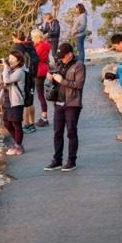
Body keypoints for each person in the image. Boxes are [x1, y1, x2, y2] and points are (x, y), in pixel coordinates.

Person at [44, 43, 86, 172]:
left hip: (72, 103)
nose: (61, 59)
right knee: (57, 132)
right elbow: (56, 81)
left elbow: (79, 84)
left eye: (63, 56)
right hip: (59, 102)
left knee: (71, 131)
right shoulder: (59, 64)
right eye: (60, 57)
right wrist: (51, 78)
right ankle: (57, 160)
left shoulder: (79, 66)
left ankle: (71, 160)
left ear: (70, 54)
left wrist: (62, 81)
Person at [0, 50, 27, 155]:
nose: (10, 60)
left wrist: (6, 67)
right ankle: (17, 144)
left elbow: (7, 80)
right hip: (8, 100)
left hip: (16, 101)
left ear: (19, 61)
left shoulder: (20, 72)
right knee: (7, 123)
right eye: (9, 58)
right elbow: (1, 81)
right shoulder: (11, 70)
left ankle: (18, 147)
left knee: (16, 124)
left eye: (13, 59)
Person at [11, 31, 38, 134]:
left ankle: (26, 125)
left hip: (23, 75)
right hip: (32, 75)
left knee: (25, 102)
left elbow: (13, 61)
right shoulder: (30, 45)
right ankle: (32, 124)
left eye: (13, 37)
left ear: (15, 37)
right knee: (30, 100)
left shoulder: (17, 47)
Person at [30, 29, 51, 127]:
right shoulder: (42, 45)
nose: (32, 39)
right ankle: (44, 116)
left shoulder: (41, 46)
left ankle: (44, 117)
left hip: (39, 70)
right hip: (41, 69)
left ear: (38, 37)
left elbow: (35, 57)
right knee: (39, 94)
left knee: (40, 94)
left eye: (33, 37)